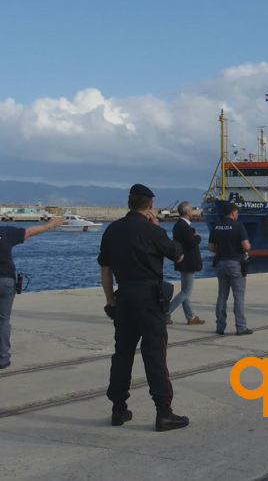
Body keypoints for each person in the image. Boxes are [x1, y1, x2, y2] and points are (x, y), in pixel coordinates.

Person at [99, 184, 189, 431]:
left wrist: (110, 300)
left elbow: (105, 270)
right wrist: (158, 228)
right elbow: (178, 255)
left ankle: (118, 409)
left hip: (124, 297)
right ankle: (164, 412)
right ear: (149, 205)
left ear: (130, 202)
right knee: (154, 354)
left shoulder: (112, 230)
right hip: (149, 299)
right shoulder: (152, 231)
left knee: (122, 354)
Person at [0, 204, 62, 373]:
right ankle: (2, 359)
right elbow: (28, 232)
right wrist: (48, 226)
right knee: (3, 322)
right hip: (6, 282)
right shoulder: (3, 232)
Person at [208, 202, 253, 335]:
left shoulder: (216, 226)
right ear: (233, 212)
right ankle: (241, 327)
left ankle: (220, 326)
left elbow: (210, 247)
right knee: (238, 296)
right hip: (235, 264)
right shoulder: (238, 226)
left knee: (222, 295)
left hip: (221, 263)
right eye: (237, 212)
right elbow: (246, 246)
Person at [168, 201, 205, 325]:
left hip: (184, 261)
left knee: (185, 290)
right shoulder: (183, 226)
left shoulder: (179, 225)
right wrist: (198, 237)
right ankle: (165, 312)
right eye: (191, 210)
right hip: (188, 262)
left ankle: (191, 317)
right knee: (186, 291)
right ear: (187, 212)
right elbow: (191, 243)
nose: (193, 212)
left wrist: (193, 235)